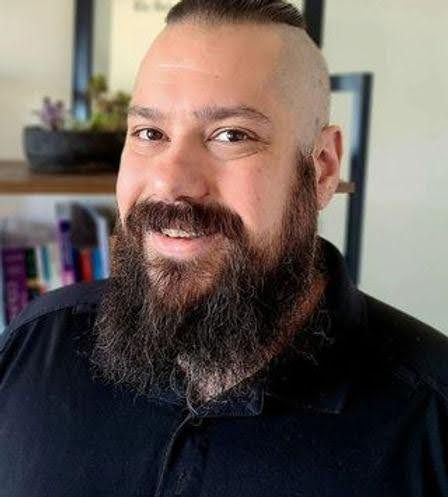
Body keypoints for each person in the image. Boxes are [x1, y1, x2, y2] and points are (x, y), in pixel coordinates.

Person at [1, 1, 447, 496]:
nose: (172, 182)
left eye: (231, 135)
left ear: (321, 168)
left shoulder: (431, 421)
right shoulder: (36, 347)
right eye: (150, 133)